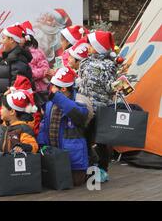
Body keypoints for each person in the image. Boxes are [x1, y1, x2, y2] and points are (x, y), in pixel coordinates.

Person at [37, 66, 89, 186]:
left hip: (72, 155)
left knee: (75, 182)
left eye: (54, 86)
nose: (51, 89)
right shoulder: (50, 103)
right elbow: (44, 125)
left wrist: (58, 97)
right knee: (54, 180)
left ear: (64, 89)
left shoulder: (79, 101)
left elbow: (80, 116)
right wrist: (42, 143)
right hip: (54, 153)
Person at [78, 31, 118, 183]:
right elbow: (81, 81)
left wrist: (116, 85)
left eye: (91, 44)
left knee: (102, 140)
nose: (87, 47)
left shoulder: (109, 65)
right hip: (85, 107)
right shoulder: (84, 62)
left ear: (98, 47)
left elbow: (110, 87)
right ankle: (89, 167)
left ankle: (102, 169)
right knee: (86, 138)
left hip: (102, 108)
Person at [0, 23, 33, 106]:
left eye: (4, 38)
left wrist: (7, 97)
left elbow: (17, 83)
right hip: (6, 103)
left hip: (11, 105)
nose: (1, 41)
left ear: (12, 40)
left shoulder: (17, 58)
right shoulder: (9, 56)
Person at [20, 21, 50, 93]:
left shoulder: (37, 52)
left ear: (27, 38)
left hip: (38, 89)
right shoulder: (17, 52)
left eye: (21, 37)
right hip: (23, 88)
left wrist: (31, 73)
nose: (18, 39)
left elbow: (45, 69)